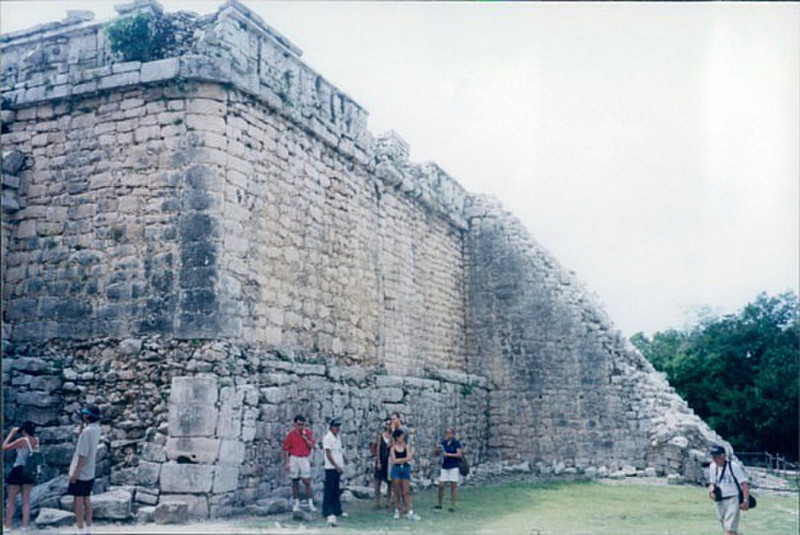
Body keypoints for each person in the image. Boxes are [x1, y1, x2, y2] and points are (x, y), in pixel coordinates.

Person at [68, 406, 102, 535]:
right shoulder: (96, 429)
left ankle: (80, 529)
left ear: (87, 416)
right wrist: (82, 426)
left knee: (78, 502)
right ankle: (88, 529)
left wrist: (75, 474)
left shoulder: (86, 432)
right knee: (87, 501)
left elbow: (81, 456)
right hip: (90, 471)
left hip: (81, 472)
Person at [3, 421, 40, 530]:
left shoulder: (22, 440)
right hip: (30, 471)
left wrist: (11, 434)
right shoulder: (36, 440)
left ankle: (8, 526)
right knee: (26, 500)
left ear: (23, 430)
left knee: (11, 500)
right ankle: (25, 525)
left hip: (19, 469)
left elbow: (4, 447)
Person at [707, 445, 750, 535]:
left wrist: (745, 500)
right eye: (713, 456)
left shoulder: (733, 466)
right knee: (726, 528)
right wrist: (711, 492)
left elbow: (744, 483)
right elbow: (712, 483)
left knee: (730, 529)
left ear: (723, 456)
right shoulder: (712, 467)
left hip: (733, 499)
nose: (714, 459)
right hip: (720, 500)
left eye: (716, 456)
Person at [283, 415, 316, 512]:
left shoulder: (308, 433)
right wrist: (287, 462)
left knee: (307, 481)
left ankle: (310, 503)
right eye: (298, 425)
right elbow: (286, 450)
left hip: (304, 458)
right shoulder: (291, 435)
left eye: (302, 425)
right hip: (294, 458)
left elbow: (311, 446)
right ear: (295, 424)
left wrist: (305, 438)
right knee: (294, 481)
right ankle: (296, 503)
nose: (300, 427)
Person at [322, 417, 348, 527]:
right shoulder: (328, 438)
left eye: (338, 426)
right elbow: (328, 454)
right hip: (331, 468)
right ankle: (328, 510)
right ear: (331, 427)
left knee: (336, 490)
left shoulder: (337, 437)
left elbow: (339, 451)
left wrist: (344, 458)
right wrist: (336, 466)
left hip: (338, 467)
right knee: (329, 489)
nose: (337, 428)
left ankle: (337, 509)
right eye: (335, 426)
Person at [389, 428, 419, 521]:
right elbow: (394, 460)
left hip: (405, 469)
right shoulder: (393, 448)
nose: (403, 438)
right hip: (397, 469)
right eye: (401, 436)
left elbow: (409, 457)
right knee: (396, 490)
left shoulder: (406, 446)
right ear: (397, 437)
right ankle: (397, 509)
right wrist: (404, 459)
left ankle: (409, 509)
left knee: (406, 490)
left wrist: (401, 460)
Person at [434, 427, 462, 512]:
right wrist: (437, 449)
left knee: (453, 486)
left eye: (449, 433)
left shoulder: (456, 443)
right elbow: (437, 454)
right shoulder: (443, 443)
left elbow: (459, 454)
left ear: (452, 434)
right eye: (446, 433)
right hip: (445, 466)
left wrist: (449, 454)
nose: (447, 435)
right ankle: (439, 504)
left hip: (453, 466)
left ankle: (453, 505)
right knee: (441, 485)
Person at [372, 418, 393, 509]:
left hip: (389, 460)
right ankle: (377, 501)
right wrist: (378, 461)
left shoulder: (393, 437)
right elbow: (378, 449)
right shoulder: (381, 436)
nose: (388, 426)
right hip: (382, 459)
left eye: (390, 424)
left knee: (390, 482)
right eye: (387, 424)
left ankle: (388, 501)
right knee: (378, 481)